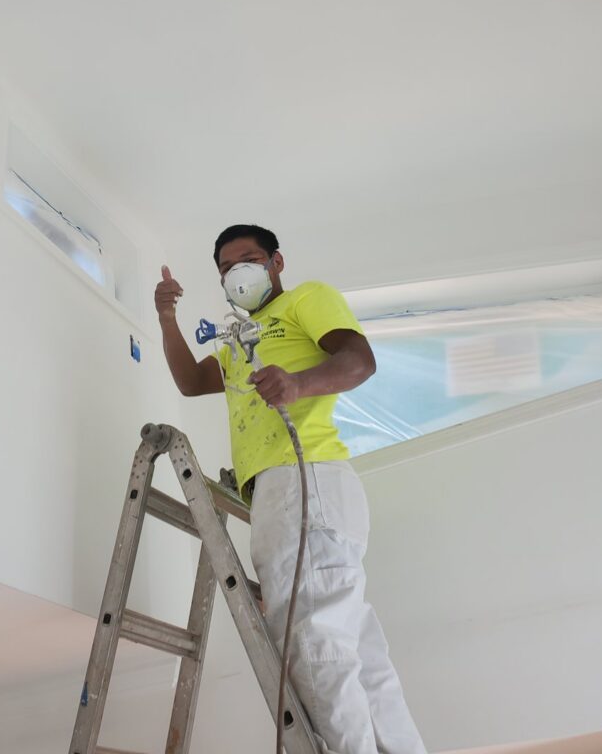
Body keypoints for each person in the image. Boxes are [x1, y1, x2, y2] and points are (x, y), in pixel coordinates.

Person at [154, 224, 426, 754]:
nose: (239, 274)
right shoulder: (240, 339)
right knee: (357, 651)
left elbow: (359, 360)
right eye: (228, 269)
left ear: (277, 262)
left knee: (316, 640)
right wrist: (167, 318)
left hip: (304, 481)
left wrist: (298, 384)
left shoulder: (306, 299)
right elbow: (190, 381)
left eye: (249, 260)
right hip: (291, 491)